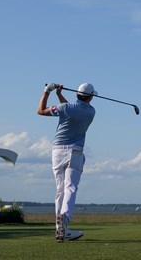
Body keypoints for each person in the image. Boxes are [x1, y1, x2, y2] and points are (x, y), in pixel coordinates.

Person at [37, 82, 97, 242]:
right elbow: (70, 108)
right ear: (90, 97)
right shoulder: (91, 112)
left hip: (57, 151)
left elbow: (41, 111)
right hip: (75, 152)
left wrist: (48, 91)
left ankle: (61, 230)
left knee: (60, 189)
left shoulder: (65, 109)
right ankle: (64, 219)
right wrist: (58, 94)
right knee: (70, 187)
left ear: (77, 94)